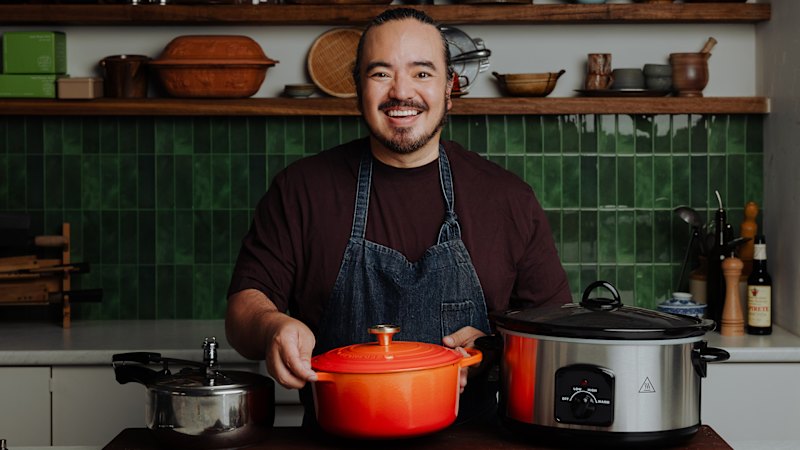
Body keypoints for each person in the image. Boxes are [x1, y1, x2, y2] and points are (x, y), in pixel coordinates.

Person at [226, 7, 571, 427]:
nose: (401, 92)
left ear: (450, 88)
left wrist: (495, 349)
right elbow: (243, 312)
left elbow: (558, 337)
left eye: (422, 73)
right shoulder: (301, 190)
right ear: (358, 89)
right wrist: (272, 326)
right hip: (336, 441)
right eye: (381, 74)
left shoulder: (507, 198)